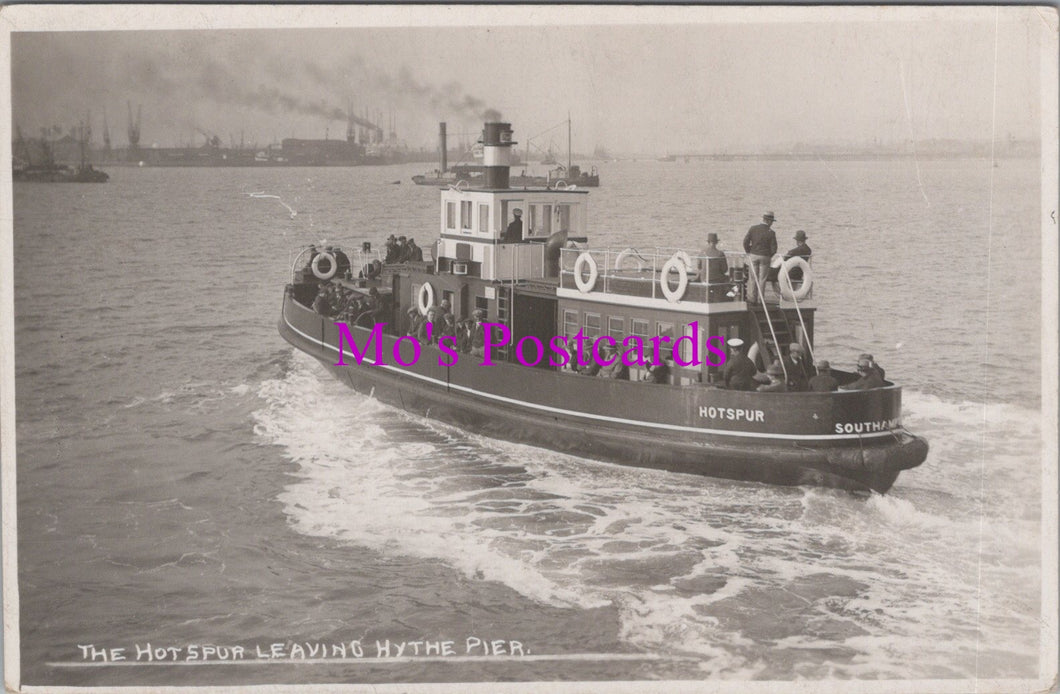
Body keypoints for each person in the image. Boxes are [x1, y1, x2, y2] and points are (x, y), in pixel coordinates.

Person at [742, 211, 777, 304]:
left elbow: (745, 242)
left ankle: (752, 299)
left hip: (753, 255)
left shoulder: (753, 229)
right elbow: (774, 249)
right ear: (769, 221)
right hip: (765, 257)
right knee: (762, 279)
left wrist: (749, 251)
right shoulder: (771, 233)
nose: (772, 223)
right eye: (772, 221)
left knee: (753, 278)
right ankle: (760, 299)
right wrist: (769, 255)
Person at [701, 232, 730, 301]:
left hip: (704, 279)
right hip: (716, 280)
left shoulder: (702, 253)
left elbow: (699, 266)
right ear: (716, 242)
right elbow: (725, 269)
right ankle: (725, 299)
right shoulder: (720, 254)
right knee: (728, 278)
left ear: (708, 242)